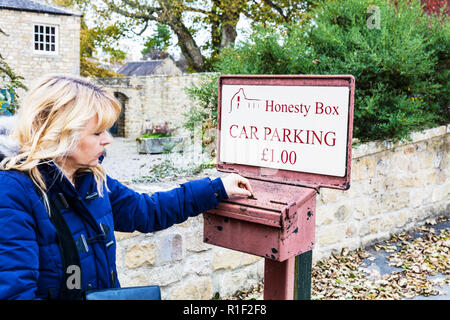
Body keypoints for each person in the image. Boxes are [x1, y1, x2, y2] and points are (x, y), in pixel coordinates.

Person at [0, 74, 254, 300]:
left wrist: (215, 188)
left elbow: (146, 210)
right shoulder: (14, 193)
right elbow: (15, 291)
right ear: (59, 133)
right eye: (98, 132)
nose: (108, 140)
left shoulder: (91, 179)